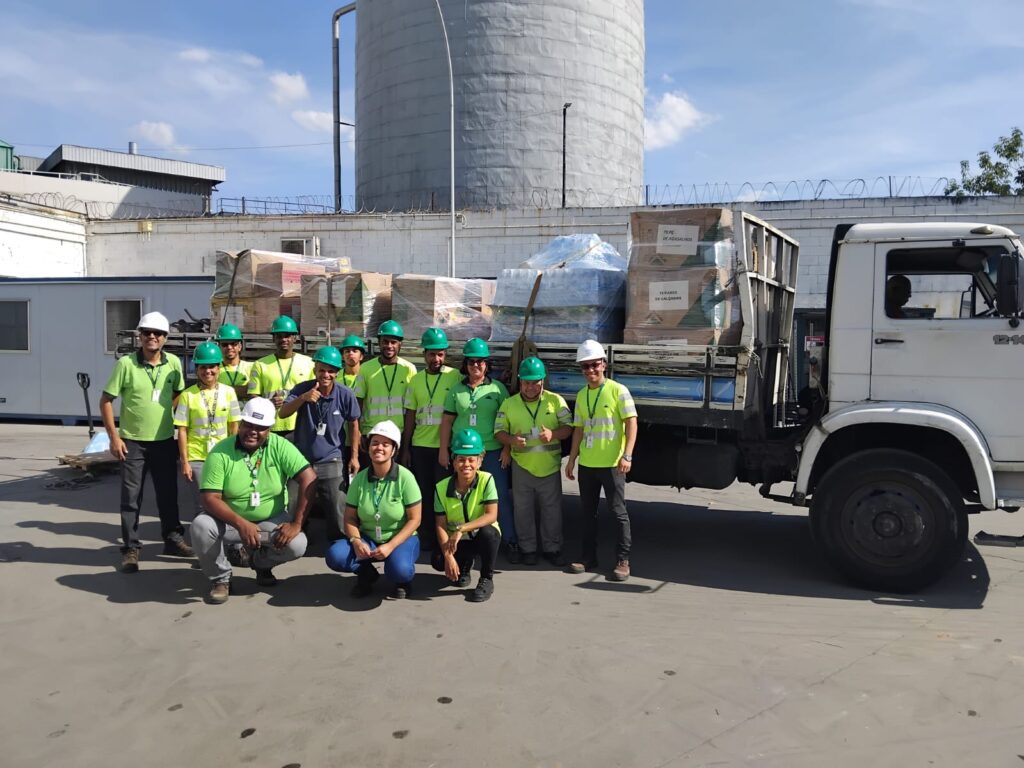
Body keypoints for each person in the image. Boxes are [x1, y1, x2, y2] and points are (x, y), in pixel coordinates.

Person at [194, 398, 316, 604]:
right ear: (240, 424)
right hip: (230, 523)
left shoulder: (280, 446)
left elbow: (309, 477)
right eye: (248, 425)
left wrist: (297, 523)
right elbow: (209, 498)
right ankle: (220, 579)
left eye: (260, 427)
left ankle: (260, 563)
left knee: (297, 544)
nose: (253, 431)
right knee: (201, 526)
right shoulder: (220, 452)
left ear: (269, 430)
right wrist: (242, 524)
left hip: (269, 520)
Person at [100, 311, 191, 573]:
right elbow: (106, 400)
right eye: (147, 332)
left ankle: (172, 540)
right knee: (131, 498)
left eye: (158, 333)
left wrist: (164, 414)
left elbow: (178, 394)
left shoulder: (173, 363)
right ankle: (131, 548)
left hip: (163, 441)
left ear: (165, 338)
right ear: (140, 335)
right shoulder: (126, 365)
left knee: (168, 494)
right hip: (133, 443)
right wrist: (114, 437)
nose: (152, 337)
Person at [564, 339, 638, 582]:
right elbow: (578, 429)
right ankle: (588, 557)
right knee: (588, 513)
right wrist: (572, 460)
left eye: (594, 365)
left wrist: (627, 455)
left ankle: (622, 560)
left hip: (613, 464)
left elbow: (631, 422)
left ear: (604, 364)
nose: (590, 370)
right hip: (588, 464)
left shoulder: (618, 390)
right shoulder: (582, 394)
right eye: (585, 367)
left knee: (618, 512)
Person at [439, 338, 516, 561]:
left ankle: (509, 540)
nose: (476, 366)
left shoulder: (497, 389)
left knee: (498, 497)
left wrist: (507, 449)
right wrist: (444, 450)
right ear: (466, 364)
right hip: (462, 454)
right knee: (462, 498)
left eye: (481, 362)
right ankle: (464, 542)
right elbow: (447, 422)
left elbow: (507, 421)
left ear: (487, 364)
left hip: (491, 452)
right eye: (472, 362)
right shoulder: (456, 391)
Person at [325, 421, 422, 600]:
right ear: (368, 447)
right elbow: (350, 518)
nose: (379, 448)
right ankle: (366, 574)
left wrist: (391, 545)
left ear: (394, 450)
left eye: (386, 444)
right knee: (335, 555)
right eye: (375, 443)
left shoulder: (406, 478)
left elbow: (415, 519)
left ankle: (401, 580)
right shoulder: (360, 479)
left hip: (399, 538)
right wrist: (356, 541)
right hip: (368, 538)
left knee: (401, 570)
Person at [277, 345, 361, 543]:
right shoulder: (302, 389)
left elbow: (354, 424)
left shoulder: (345, 394)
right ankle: (295, 538)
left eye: (331, 371)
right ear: (315, 369)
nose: (326, 375)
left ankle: (339, 543)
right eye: (322, 370)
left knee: (337, 506)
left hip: (332, 458)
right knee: (293, 504)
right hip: (302, 460)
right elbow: (283, 413)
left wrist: (355, 456)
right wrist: (303, 399)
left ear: (337, 373)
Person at [495, 356, 573, 566]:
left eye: (534, 382)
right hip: (522, 467)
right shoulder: (509, 404)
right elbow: (498, 432)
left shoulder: (556, 401)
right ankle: (528, 549)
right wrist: (511, 440)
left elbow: (569, 429)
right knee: (523, 510)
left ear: (542, 381)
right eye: (526, 382)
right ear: (520, 382)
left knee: (552, 511)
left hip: (549, 466)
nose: (530, 387)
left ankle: (552, 548)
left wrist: (554, 434)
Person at [401, 327, 461, 550]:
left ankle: (444, 535)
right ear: (424, 354)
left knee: (444, 493)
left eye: (440, 354)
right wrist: (406, 449)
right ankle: (426, 534)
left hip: (444, 448)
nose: (436, 359)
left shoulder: (455, 376)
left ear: (445, 354)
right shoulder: (415, 381)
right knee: (423, 492)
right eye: (432, 354)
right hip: (420, 446)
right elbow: (409, 416)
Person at [173, 341, 242, 518]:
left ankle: (232, 544)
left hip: (223, 456)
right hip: (197, 458)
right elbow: (182, 430)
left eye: (212, 367)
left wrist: (235, 457)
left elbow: (234, 426)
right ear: (197, 369)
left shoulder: (229, 392)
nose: (208, 371)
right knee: (202, 506)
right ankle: (203, 542)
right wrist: (185, 462)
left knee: (226, 503)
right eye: (203, 367)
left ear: (219, 368)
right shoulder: (188, 395)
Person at [432, 428, 501, 602]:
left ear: (480, 461)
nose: (466, 465)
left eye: (472, 459)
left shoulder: (487, 480)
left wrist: (461, 529)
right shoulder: (441, 487)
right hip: (458, 542)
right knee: (438, 560)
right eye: (461, 459)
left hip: (478, 537)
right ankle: (464, 564)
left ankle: (486, 578)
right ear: (454, 462)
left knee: (489, 533)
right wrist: (448, 556)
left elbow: (491, 515)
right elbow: (440, 524)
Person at [247, 315, 314, 437]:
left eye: (287, 336)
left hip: (299, 425)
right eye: (279, 336)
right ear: (273, 338)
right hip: (270, 425)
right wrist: (268, 403)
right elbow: (253, 396)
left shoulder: (309, 363)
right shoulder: (260, 365)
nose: (284, 339)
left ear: (295, 338)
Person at [353, 320, 416, 436]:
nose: (389, 346)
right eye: (385, 342)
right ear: (379, 343)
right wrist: (358, 433)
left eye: (393, 342)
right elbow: (358, 403)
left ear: (400, 344)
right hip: (371, 432)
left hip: (399, 433)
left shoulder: (409, 369)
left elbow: (412, 408)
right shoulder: (366, 368)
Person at [339, 334, 368, 469]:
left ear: (361, 356)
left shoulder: (367, 376)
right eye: (347, 351)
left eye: (355, 351)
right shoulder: (335, 377)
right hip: (341, 437)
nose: (350, 354)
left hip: (361, 437)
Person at [216, 323, 252, 400]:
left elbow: (254, 392)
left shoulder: (252, 367)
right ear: (219, 347)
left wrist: (222, 390)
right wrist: (242, 389)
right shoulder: (213, 369)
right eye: (225, 344)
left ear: (240, 346)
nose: (229, 347)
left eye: (233, 344)